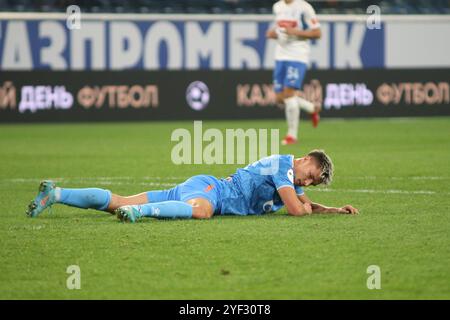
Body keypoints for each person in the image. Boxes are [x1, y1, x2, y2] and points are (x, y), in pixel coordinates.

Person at [26, 150, 358, 223]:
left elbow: (306, 204)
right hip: (211, 191)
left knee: (117, 199)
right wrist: (306, 205)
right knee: (202, 212)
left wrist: (335, 210)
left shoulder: (290, 176)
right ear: (302, 159)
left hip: (200, 185)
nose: (308, 181)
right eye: (310, 172)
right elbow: (297, 211)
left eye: (313, 180)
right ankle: (139, 212)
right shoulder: (283, 167)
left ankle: (55, 194)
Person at [266, 0, 322, 145]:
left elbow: (317, 33)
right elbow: (280, 30)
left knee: (289, 94)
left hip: (297, 55)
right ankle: (312, 109)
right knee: (280, 98)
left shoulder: (304, 7)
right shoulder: (277, 6)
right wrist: (273, 33)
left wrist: (295, 32)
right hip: (280, 55)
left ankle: (292, 135)